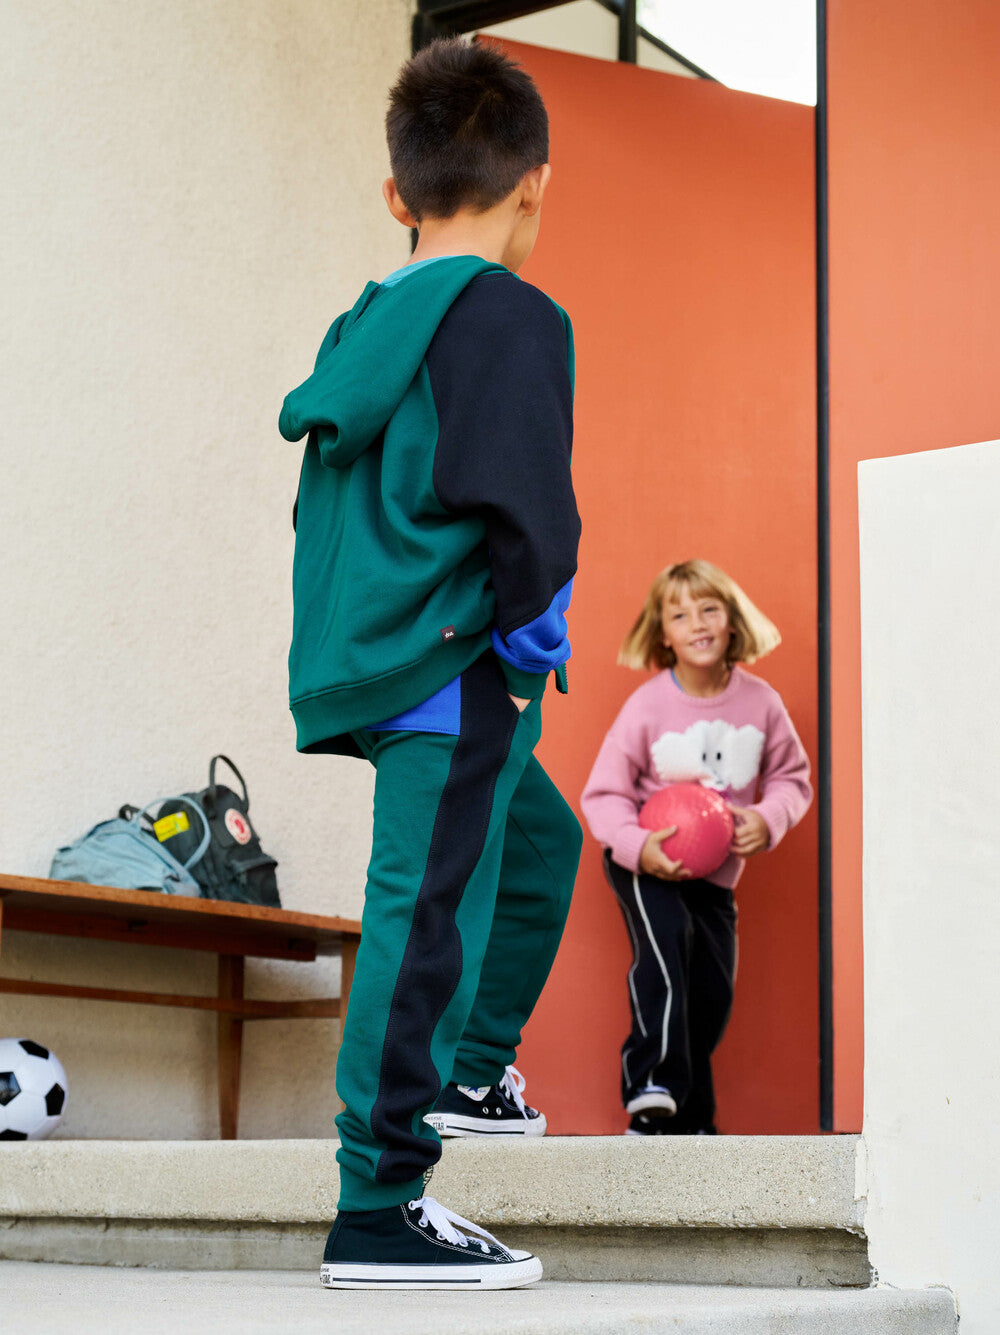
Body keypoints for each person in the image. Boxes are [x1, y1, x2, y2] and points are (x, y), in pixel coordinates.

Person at [278, 38, 582, 1290]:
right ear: (535, 186)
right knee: (422, 909)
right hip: (455, 660)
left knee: (535, 846)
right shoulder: (513, 314)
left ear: (397, 197)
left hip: (376, 649)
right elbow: (528, 503)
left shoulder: (367, 323)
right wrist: (522, 644)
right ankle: (380, 1200)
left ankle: (465, 1076)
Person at [581, 560, 811, 1136]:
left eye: (710, 609)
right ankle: (650, 1084)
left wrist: (767, 817)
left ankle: (692, 1122)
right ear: (663, 633)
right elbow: (604, 793)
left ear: (732, 620)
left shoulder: (760, 702)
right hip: (647, 861)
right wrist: (637, 845)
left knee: (710, 994)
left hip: (715, 876)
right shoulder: (649, 705)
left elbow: (792, 778)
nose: (698, 623)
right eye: (680, 614)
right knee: (665, 955)